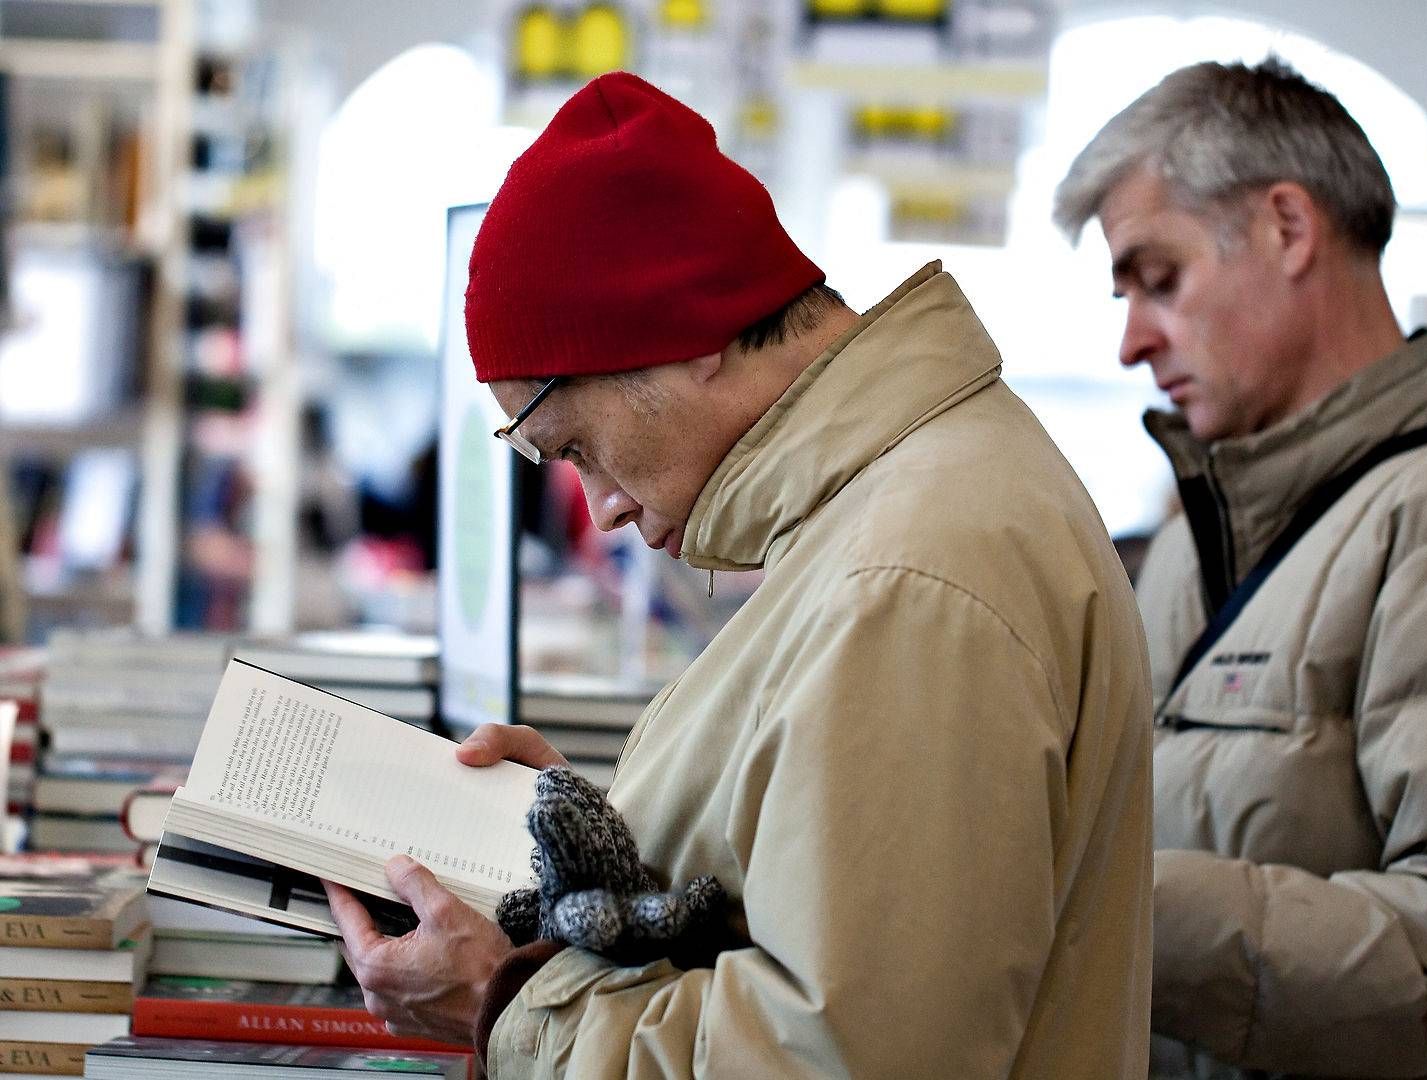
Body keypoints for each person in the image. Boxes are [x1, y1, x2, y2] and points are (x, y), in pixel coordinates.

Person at [327, 70, 1154, 1078]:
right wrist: (612, 848)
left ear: (682, 336)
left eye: (577, 446)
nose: (603, 508)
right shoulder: (895, 514)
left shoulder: (907, 577)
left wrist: (508, 1007)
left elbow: (848, 1057)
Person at [1054, 58, 1427, 1079]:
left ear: (1287, 227)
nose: (1133, 340)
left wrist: (1094, 905)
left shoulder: (1424, 515)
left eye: (1159, 279)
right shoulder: (1194, 530)